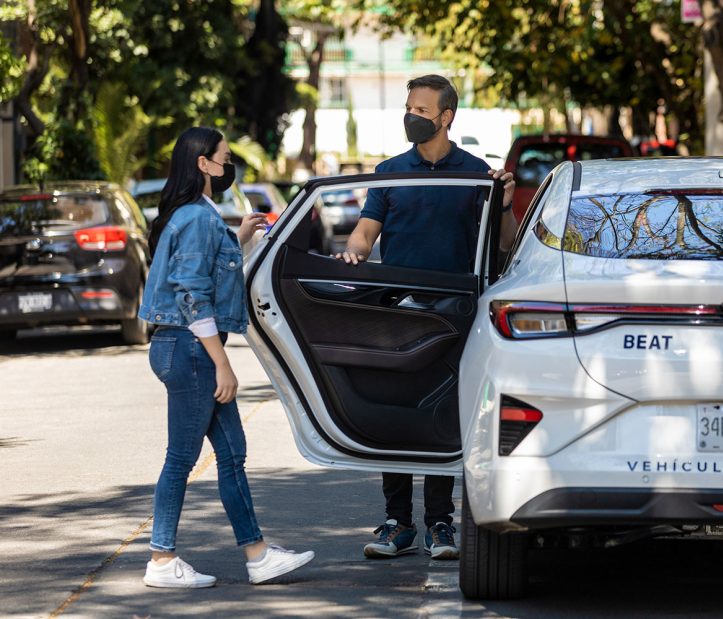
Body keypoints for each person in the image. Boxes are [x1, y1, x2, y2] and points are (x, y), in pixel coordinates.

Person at [336, 74, 517, 560]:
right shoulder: (391, 171)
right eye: (409, 107)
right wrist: (353, 256)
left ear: (446, 116)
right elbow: (365, 232)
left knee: (440, 416)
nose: (412, 115)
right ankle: (397, 523)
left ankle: (441, 524)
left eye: (421, 109)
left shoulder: (477, 172)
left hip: (455, 314)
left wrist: (503, 202)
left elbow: (503, 245)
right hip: (399, 311)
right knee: (395, 415)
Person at [138, 127, 315, 587]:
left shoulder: (197, 215)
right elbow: (193, 295)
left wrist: (236, 239)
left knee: (232, 453)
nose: (228, 164)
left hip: (183, 344)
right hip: (190, 347)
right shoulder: (196, 217)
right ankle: (160, 560)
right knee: (181, 457)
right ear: (204, 164)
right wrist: (222, 362)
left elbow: (202, 273)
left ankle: (257, 555)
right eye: (224, 157)